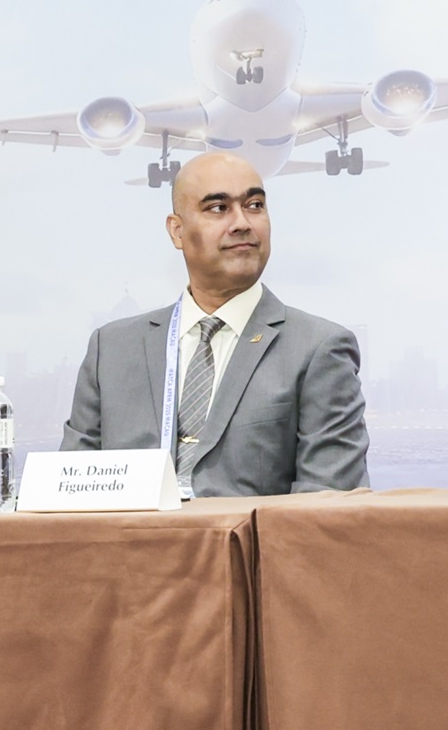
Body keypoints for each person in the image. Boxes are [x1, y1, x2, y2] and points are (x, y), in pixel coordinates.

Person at [63, 150, 369, 495]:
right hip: (131, 547)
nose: (242, 223)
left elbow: (328, 512)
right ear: (177, 232)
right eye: (218, 208)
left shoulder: (318, 349)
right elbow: (69, 499)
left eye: (254, 205)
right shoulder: (113, 350)